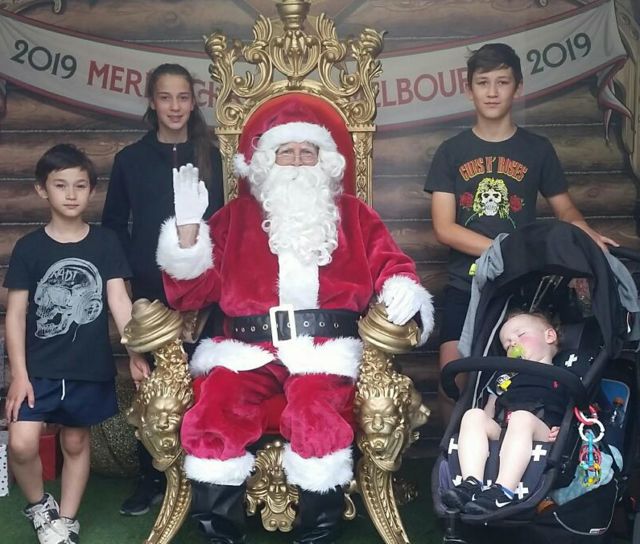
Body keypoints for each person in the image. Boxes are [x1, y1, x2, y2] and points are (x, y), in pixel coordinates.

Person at [155, 99, 435, 543]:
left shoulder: (354, 215)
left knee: (314, 410)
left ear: (325, 161)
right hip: (248, 351)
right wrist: (188, 235)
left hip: (325, 351)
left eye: (309, 152)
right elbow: (190, 295)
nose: (299, 162)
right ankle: (218, 532)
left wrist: (401, 288)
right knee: (216, 405)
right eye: (286, 152)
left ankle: (317, 533)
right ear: (267, 161)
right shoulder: (234, 219)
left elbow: (392, 263)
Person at [424, 43, 617, 425]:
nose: (492, 91)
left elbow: (565, 209)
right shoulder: (451, 151)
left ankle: (513, 452)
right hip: (467, 282)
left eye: (502, 82)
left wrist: (585, 233)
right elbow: (444, 228)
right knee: (453, 378)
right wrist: (508, 248)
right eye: (483, 82)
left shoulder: (537, 149)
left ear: (518, 88)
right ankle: (452, 458)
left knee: (520, 377)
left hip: (520, 287)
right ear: (469, 90)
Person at [3, 144, 147, 544]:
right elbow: (16, 315)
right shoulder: (29, 248)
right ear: (41, 189)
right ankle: (39, 506)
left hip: (88, 366)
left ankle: (65, 520)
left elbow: (119, 302)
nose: (71, 194)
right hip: (38, 370)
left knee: (76, 440)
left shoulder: (106, 243)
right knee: (22, 443)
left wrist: (134, 352)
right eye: (60, 185)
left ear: (91, 191)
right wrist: (19, 374)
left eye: (80, 185)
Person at [101, 63, 224, 516]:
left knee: (204, 378)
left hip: (205, 292)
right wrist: (128, 282)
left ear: (194, 102)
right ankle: (151, 476)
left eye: (183, 97)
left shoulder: (212, 156)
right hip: (151, 292)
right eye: (166, 97)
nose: (175, 106)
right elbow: (114, 225)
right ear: (152, 102)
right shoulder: (130, 160)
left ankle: (205, 476)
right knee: (152, 384)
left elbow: (226, 222)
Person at [441, 311, 571, 514]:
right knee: (473, 416)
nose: (513, 344)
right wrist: (481, 423)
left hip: (543, 430)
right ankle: (471, 484)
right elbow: (490, 409)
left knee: (521, 418)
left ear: (549, 336)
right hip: (504, 428)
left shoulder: (565, 376)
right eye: (507, 344)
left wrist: (565, 430)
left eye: (520, 335)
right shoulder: (504, 377)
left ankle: (503, 491)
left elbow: (579, 411)